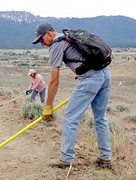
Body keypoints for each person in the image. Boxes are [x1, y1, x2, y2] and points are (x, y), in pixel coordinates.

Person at [32, 23, 112, 169]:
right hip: (105, 74)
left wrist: (48, 106)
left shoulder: (56, 45)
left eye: (42, 40)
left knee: (70, 118)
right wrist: (82, 73)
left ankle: (66, 158)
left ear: (49, 33)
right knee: (100, 118)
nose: (42, 44)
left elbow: (54, 80)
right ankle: (105, 158)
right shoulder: (69, 37)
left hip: (91, 79)